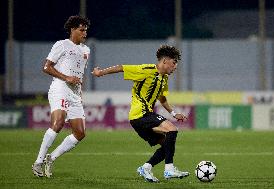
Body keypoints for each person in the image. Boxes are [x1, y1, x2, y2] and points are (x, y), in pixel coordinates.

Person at [92, 45, 189, 182]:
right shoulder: (146, 70)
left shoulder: (164, 78)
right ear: (165, 61)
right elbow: (121, 67)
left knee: (167, 144)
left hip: (143, 117)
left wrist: (173, 113)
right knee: (172, 129)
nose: (175, 67)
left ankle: (146, 168)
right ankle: (169, 169)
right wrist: (100, 73)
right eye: (174, 63)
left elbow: (162, 98)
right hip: (140, 114)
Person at [32, 15, 91, 178]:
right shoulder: (62, 45)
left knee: (80, 133)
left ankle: (52, 157)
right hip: (60, 88)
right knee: (57, 123)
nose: (84, 33)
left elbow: (80, 74)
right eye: (81, 30)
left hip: (74, 93)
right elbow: (46, 66)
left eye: (86, 30)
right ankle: (38, 162)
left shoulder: (86, 50)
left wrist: (80, 94)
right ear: (72, 29)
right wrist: (66, 78)